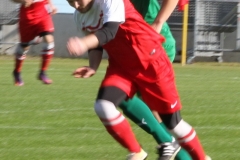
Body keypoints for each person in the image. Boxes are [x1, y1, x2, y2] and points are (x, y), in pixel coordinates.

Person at [67, 0, 210, 160]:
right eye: (70, 1)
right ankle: (137, 151)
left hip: (150, 62)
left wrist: (83, 43)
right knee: (103, 105)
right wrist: (93, 66)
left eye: (78, 0)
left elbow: (109, 32)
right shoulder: (79, 16)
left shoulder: (110, 1)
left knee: (173, 124)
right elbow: (96, 45)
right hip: (121, 67)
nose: (76, 5)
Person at [118, 0, 193, 160]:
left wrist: (157, 23)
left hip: (154, 45)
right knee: (159, 115)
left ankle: (142, 150)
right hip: (135, 47)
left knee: (120, 94)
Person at [11, 0, 57, 86]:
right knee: (25, 46)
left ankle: (42, 72)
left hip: (43, 11)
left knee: (49, 39)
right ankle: (17, 71)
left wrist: (52, 5)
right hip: (27, 14)